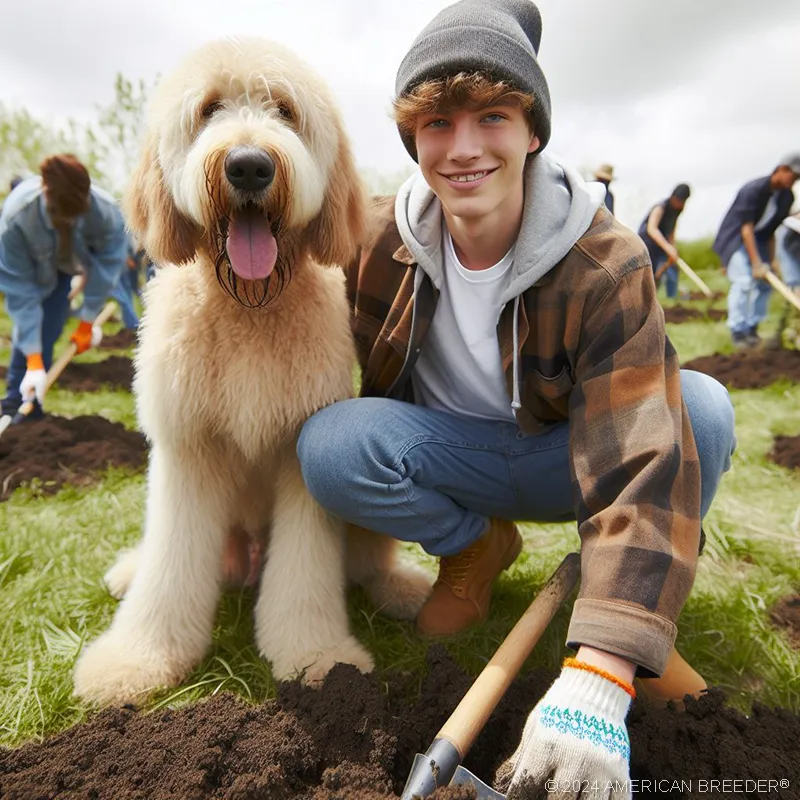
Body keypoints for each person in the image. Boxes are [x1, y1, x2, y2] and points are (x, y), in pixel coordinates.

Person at [297, 0, 735, 795]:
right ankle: (473, 548)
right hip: (448, 457)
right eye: (437, 123)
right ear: (413, 140)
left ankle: (623, 617)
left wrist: (602, 671)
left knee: (698, 413)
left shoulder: (605, 260)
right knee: (330, 442)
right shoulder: (374, 244)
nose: (463, 149)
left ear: (533, 131)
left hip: (567, 460)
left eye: (492, 116)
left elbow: (638, 452)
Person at [0, 154, 127, 419]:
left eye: (75, 215)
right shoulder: (17, 219)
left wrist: (86, 321)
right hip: (32, 266)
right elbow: (21, 295)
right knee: (30, 326)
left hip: (63, 269)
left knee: (51, 324)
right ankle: (15, 402)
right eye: (61, 214)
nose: (68, 222)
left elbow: (107, 268)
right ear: (46, 193)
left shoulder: (104, 212)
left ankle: (31, 405)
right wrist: (32, 360)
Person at [713, 154, 800, 348]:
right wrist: (755, 263)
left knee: (765, 285)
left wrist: (769, 262)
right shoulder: (754, 189)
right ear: (782, 169)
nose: (793, 181)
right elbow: (746, 228)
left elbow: (771, 232)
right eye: (792, 176)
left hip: (759, 239)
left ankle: (752, 328)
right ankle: (738, 331)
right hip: (736, 239)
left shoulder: (787, 197)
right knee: (744, 281)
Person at [638, 183, 691, 300]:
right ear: (673, 197)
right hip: (647, 244)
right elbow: (652, 229)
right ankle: (646, 301)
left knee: (672, 270)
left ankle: (671, 301)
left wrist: (673, 248)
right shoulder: (660, 207)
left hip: (662, 245)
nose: (679, 203)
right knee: (649, 274)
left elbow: (671, 231)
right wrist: (668, 247)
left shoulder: (677, 210)